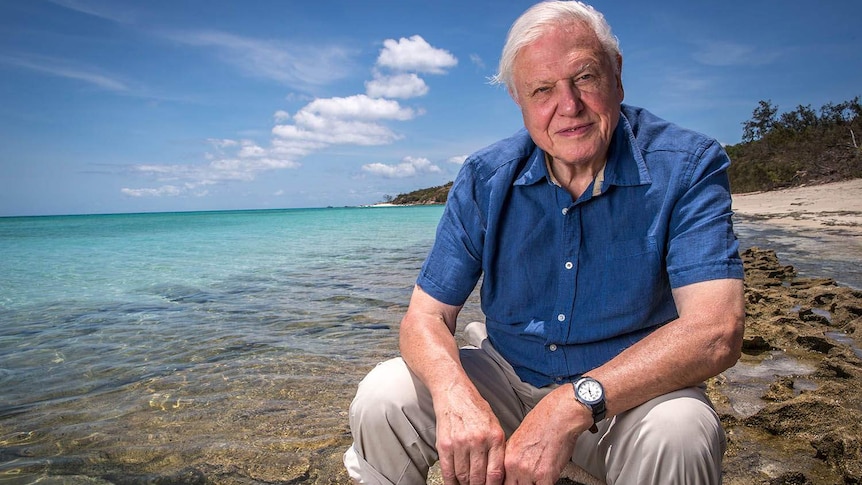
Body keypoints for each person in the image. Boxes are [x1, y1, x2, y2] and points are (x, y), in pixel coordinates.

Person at [344, 1, 745, 483]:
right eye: (542, 90)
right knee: (383, 397)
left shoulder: (686, 164)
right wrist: (454, 394)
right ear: (520, 99)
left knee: (681, 429)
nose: (569, 106)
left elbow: (716, 331)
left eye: (584, 77)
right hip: (509, 376)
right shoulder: (485, 177)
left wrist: (572, 403)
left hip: (624, 398)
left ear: (616, 74)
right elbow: (425, 316)